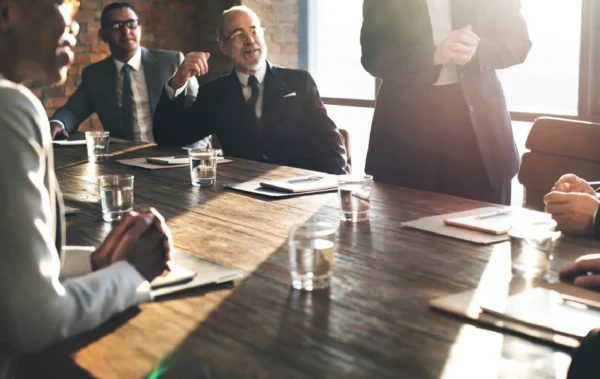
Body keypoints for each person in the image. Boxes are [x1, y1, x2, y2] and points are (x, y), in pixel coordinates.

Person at [0, 0, 172, 377]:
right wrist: (131, 272)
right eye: (66, 3)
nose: (74, 25)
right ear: (8, 11)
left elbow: (10, 270)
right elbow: (35, 323)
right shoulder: (9, 106)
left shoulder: (171, 63)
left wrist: (94, 263)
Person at [360, 0, 531, 205]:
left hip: (479, 131)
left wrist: (479, 49)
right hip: (405, 130)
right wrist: (434, 54)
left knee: (483, 229)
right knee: (403, 230)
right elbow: (372, 56)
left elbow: (519, 43)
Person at [153, 5, 347, 175]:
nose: (249, 40)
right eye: (238, 35)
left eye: (254, 31)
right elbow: (168, 137)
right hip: (239, 196)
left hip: (297, 191)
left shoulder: (299, 81)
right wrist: (178, 80)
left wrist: (336, 187)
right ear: (223, 46)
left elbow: (329, 141)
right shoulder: (214, 93)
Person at [49, 2, 200, 143]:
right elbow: (72, 111)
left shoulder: (171, 62)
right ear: (102, 35)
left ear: (139, 28)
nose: (126, 31)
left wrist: (191, 155)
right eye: (116, 26)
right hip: (123, 160)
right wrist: (57, 123)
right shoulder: (95, 75)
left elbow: (200, 112)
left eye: (131, 24)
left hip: (170, 155)